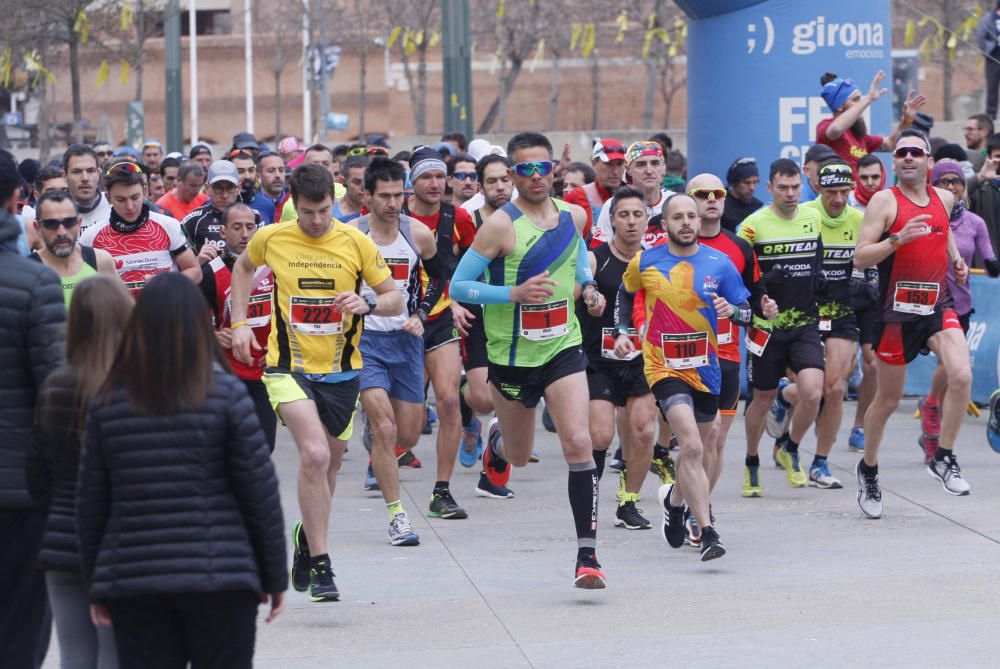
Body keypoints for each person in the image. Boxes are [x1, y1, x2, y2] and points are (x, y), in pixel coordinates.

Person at [76, 273, 287, 668]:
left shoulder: (108, 406)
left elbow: (91, 504)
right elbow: (260, 494)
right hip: (223, 576)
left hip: (136, 580)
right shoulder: (226, 396)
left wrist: (96, 584)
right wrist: (274, 574)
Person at [230, 162, 402, 601]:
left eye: (324, 210)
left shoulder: (355, 241)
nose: (317, 220)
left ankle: (308, 538)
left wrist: (365, 303)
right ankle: (323, 566)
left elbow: (394, 296)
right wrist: (242, 323)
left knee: (330, 465)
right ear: (293, 204)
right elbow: (243, 268)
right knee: (314, 454)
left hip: (342, 371)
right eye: (307, 212)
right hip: (288, 367)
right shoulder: (272, 237)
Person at [451, 131, 609, 589]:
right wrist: (512, 294)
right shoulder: (500, 225)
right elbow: (460, 288)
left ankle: (587, 555)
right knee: (518, 457)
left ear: (555, 170)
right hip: (513, 359)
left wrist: (590, 288)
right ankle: (497, 444)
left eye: (544, 167)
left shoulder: (576, 214)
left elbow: (579, 257)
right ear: (514, 173)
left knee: (578, 443)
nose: (536, 176)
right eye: (526, 169)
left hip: (563, 347)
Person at [614, 193, 751, 561]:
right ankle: (707, 531)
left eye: (692, 216)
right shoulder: (646, 261)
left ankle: (675, 502)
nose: (687, 222)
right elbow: (625, 297)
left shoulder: (719, 264)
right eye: (679, 217)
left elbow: (746, 311)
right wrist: (624, 331)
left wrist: (732, 311)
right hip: (663, 366)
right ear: (665, 223)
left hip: (707, 368)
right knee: (690, 445)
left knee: (703, 448)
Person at [854, 129, 972, 519]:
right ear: (894, 160)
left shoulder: (945, 196)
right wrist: (897, 240)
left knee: (961, 376)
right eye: (901, 152)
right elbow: (860, 258)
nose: (908, 158)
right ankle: (869, 468)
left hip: (937, 305)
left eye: (915, 153)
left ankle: (944, 456)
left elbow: (943, 232)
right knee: (886, 402)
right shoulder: (884, 202)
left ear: (928, 161)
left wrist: (955, 258)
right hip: (895, 314)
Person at [26, 275, 130, 669]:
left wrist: (56, 508)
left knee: (74, 654)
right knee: (114, 652)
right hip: (120, 540)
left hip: (64, 537)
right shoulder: (135, 388)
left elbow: (38, 472)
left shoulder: (56, 386)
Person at [356, 157, 461, 529]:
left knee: (408, 435)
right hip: (365, 341)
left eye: (398, 195)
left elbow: (438, 277)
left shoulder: (417, 234)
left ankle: (379, 430)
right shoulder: (351, 235)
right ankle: (397, 515)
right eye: (384, 196)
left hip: (406, 340)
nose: (392, 203)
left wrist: (421, 314)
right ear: (366, 195)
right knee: (385, 430)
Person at [0, 150, 66, 668]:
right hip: (21, 494)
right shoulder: (34, 284)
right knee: (21, 628)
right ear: (16, 201)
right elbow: (56, 393)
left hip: (22, 486)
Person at [685, 173, 765, 543]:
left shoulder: (738, 247)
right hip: (682, 357)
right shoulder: (669, 247)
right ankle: (688, 503)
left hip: (727, 354)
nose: (712, 200)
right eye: (703, 195)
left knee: (715, 440)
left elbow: (753, 304)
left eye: (718, 193)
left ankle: (699, 508)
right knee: (695, 441)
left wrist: (756, 310)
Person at [775, 160, 864, 490]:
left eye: (844, 192)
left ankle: (819, 462)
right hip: (804, 310)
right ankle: (785, 398)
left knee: (836, 389)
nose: (839, 199)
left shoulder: (859, 219)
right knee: (810, 389)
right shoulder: (805, 215)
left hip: (841, 310)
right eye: (831, 193)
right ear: (818, 190)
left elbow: (870, 258)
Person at [738, 159, 825, 497]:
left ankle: (789, 446)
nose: (790, 194)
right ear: (769, 188)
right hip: (766, 327)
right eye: (783, 188)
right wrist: (759, 293)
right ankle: (750, 460)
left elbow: (817, 260)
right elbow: (740, 275)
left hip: (804, 323)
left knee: (814, 392)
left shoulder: (812, 217)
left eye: (795, 187)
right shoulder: (753, 225)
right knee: (761, 398)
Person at [579, 187, 656, 530]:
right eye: (623, 215)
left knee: (643, 432)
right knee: (599, 436)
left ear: (647, 219)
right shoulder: (595, 257)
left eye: (637, 214)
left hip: (642, 359)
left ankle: (629, 502)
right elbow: (582, 287)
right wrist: (590, 295)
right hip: (599, 361)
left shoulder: (657, 260)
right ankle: (589, 497)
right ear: (611, 220)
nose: (631, 221)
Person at [916, 161, 1000, 463]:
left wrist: (992, 266)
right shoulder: (924, 217)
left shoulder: (974, 223)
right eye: (945, 182)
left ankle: (932, 415)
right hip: (921, 302)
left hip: (958, 305)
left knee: (952, 368)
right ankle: (931, 411)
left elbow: (990, 262)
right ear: (933, 185)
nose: (952, 187)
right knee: (945, 369)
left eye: (957, 182)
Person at [402, 148, 477, 483]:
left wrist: (458, 299)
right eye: (425, 177)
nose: (433, 184)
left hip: (442, 316)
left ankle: (442, 488)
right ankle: (386, 449)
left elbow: (476, 265)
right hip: (401, 322)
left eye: (438, 177)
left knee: (447, 400)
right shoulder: (395, 214)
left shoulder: (457, 218)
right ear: (411, 181)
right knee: (410, 420)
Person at [199, 203, 276, 452]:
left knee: (264, 447)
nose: (244, 234)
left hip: (265, 373)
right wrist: (212, 336)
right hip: (227, 373)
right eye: (237, 227)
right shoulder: (210, 273)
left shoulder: (273, 269)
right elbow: (191, 322)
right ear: (223, 232)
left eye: (250, 227)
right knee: (228, 447)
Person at [458, 154, 513, 484]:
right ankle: (467, 396)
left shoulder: (527, 219)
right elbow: (454, 270)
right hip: (478, 315)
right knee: (481, 398)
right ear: (480, 186)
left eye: (504, 179)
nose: (499, 186)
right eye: (491, 181)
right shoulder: (468, 219)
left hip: (518, 318)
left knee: (512, 396)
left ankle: (498, 444)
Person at [81, 161, 201, 295]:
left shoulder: (170, 225)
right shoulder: (90, 236)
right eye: (121, 200)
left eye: (135, 197)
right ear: (108, 198)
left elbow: (195, 272)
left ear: (144, 191)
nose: (130, 206)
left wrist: (166, 283)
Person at [816, 71, 926, 172]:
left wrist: (906, 120)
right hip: (837, 192)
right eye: (856, 100)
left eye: (860, 99)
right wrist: (869, 98)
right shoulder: (825, 126)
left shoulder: (859, 137)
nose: (861, 104)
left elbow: (891, 144)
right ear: (839, 107)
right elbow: (836, 129)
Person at [30, 191, 117, 306]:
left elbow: (117, 315)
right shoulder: (25, 271)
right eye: (51, 224)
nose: (61, 232)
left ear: (79, 223)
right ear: (37, 228)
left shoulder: (100, 261)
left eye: (69, 222)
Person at [592, 140, 673, 247]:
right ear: (628, 169)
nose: (649, 170)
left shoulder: (676, 202)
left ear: (663, 167)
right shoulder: (612, 205)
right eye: (641, 164)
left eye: (655, 163)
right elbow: (598, 254)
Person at [562, 138, 627, 236]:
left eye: (620, 164)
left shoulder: (634, 194)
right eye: (609, 164)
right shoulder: (576, 196)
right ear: (593, 163)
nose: (615, 171)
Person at [183, 160, 243, 260]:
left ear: (238, 188)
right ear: (207, 188)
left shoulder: (254, 218)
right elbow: (178, 265)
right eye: (218, 188)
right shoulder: (193, 220)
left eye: (230, 188)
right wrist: (198, 261)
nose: (224, 195)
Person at [64, 144, 112, 229]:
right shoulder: (54, 212)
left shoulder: (114, 205)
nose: (85, 178)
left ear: (98, 173)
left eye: (90, 171)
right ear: (65, 176)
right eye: (76, 172)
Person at [721, 157, 762, 232]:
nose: (752, 187)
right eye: (747, 183)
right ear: (734, 183)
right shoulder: (721, 207)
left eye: (755, 182)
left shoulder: (759, 207)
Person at [976, 2, 1000, 119]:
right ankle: (991, 115)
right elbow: (980, 36)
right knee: (992, 87)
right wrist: (987, 50)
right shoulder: (988, 19)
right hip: (993, 57)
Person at [252, 151, 289, 224]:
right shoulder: (251, 205)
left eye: (281, 170)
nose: (278, 175)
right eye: (271, 171)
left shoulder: (295, 202)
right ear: (258, 176)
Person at [333, 154, 368, 222]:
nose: (363, 187)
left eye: (367, 181)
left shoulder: (378, 211)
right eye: (357, 182)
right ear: (343, 181)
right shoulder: (329, 211)